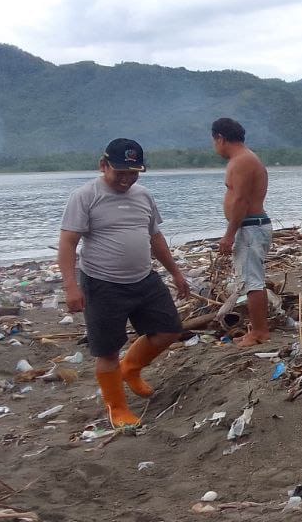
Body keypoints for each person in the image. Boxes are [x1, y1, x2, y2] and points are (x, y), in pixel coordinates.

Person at [58, 139, 191, 427]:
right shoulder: (84, 196)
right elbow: (68, 243)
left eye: (134, 173)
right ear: (103, 165)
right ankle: (117, 408)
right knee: (107, 350)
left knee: (169, 330)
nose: (127, 179)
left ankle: (130, 368)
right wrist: (71, 286)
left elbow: (155, 238)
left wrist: (176, 273)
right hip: (102, 283)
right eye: (120, 172)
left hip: (144, 278)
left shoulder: (143, 195)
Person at [211, 118, 272, 346]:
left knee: (252, 281)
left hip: (250, 227)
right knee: (253, 278)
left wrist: (228, 235)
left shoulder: (241, 161)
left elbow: (241, 200)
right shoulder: (245, 159)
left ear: (220, 138)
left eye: (214, 141)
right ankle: (258, 329)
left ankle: (259, 332)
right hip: (252, 226)